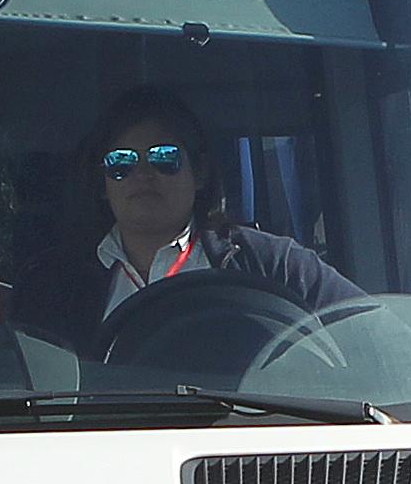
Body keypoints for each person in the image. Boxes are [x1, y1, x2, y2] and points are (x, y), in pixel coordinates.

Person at [21, 86, 357, 351]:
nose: (143, 174)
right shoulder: (53, 285)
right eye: (121, 162)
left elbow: (371, 335)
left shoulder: (274, 265)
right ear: (102, 184)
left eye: (164, 158)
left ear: (200, 173)